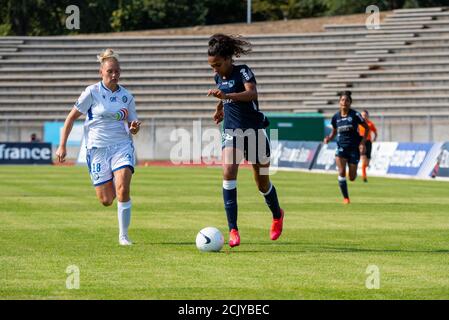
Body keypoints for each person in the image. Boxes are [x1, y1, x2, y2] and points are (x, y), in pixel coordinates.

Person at [55, 49, 141, 246]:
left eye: (117, 71)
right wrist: (62, 146)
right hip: (97, 150)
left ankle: (124, 236)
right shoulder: (92, 92)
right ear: (101, 72)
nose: (114, 75)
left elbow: (133, 125)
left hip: (121, 146)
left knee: (123, 189)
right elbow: (71, 118)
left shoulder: (127, 96)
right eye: (110, 71)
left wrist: (134, 128)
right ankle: (109, 179)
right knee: (106, 200)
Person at [207, 33, 284, 248]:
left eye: (218, 65)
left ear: (229, 59)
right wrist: (220, 109)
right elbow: (226, 96)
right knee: (228, 171)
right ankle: (233, 229)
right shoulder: (218, 77)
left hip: (255, 131)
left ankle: (277, 215)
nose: (215, 70)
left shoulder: (243, 71)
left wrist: (226, 97)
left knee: (263, 184)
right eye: (212, 66)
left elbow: (251, 94)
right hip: (232, 131)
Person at [324, 91, 369, 204]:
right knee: (342, 171)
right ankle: (346, 198)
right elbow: (334, 131)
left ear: (350, 103)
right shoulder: (335, 117)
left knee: (352, 178)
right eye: (342, 100)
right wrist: (329, 138)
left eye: (347, 100)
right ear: (339, 102)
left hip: (354, 148)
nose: (345, 102)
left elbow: (366, 128)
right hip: (341, 147)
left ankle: (352, 171)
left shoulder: (355, 115)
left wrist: (362, 143)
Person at [358, 110, 378, 182]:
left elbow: (375, 132)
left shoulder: (370, 124)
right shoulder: (358, 124)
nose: (364, 116)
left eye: (365, 115)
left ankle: (362, 169)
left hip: (368, 142)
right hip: (361, 142)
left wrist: (374, 139)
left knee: (367, 161)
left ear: (367, 116)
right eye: (362, 115)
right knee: (363, 158)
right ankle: (364, 176)